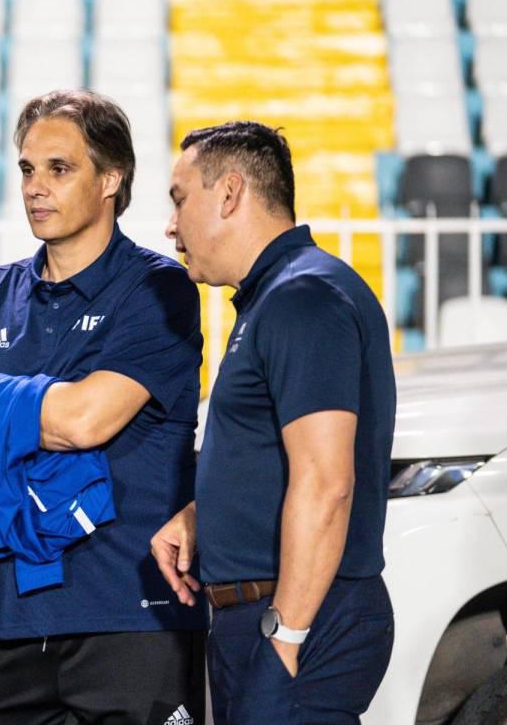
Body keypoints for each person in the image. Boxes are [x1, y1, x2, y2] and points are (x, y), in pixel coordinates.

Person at [0, 89, 208, 724]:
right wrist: (44, 408)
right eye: (26, 169)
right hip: (21, 616)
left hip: (136, 614)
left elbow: (85, 423)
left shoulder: (160, 289)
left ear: (111, 178)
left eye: (59, 168)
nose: (35, 188)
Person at [151, 121, 396, 724]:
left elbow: (326, 482)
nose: (171, 225)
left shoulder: (301, 298)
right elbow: (286, 459)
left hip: (296, 618)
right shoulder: (278, 297)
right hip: (270, 615)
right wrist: (206, 512)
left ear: (229, 193)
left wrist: (285, 635)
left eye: (181, 199)